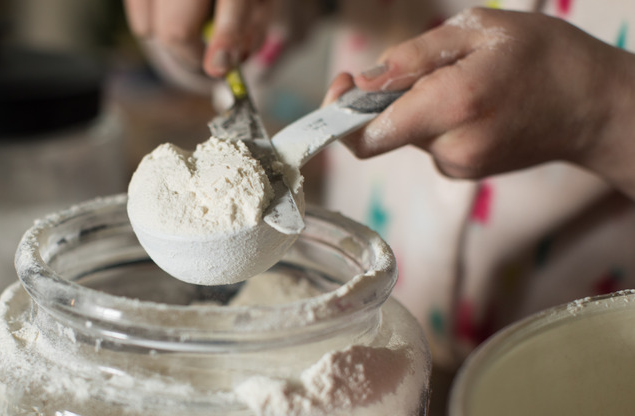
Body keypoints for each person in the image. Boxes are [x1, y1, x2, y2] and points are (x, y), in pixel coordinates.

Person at [124, 0, 635, 368]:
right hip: (358, 346)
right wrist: (203, 25)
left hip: (586, 368)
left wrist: (603, 108)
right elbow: (269, 24)